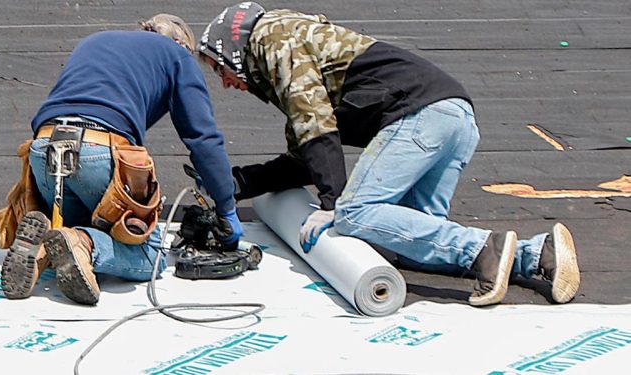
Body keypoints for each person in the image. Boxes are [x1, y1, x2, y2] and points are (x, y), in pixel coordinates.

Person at [198, 3, 580, 306]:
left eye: (220, 70)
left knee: (355, 213)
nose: (227, 84)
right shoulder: (296, 47)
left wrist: (334, 205)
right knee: (412, 243)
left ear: (232, 50)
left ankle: (484, 248)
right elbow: (305, 157)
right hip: (453, 117)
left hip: (420, 115)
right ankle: (537, 255)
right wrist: (238, 182)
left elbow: (315, 128)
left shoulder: (273, 39)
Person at [0, 14, 243, 305]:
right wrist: (226, 207)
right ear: (179, 42)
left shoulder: (96, 41)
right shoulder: (177, 55)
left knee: (76, 227)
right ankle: (86, 245)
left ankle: (40, 250)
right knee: (149, 253)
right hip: (98, 147)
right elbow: (202, 137)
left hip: (44, 148)